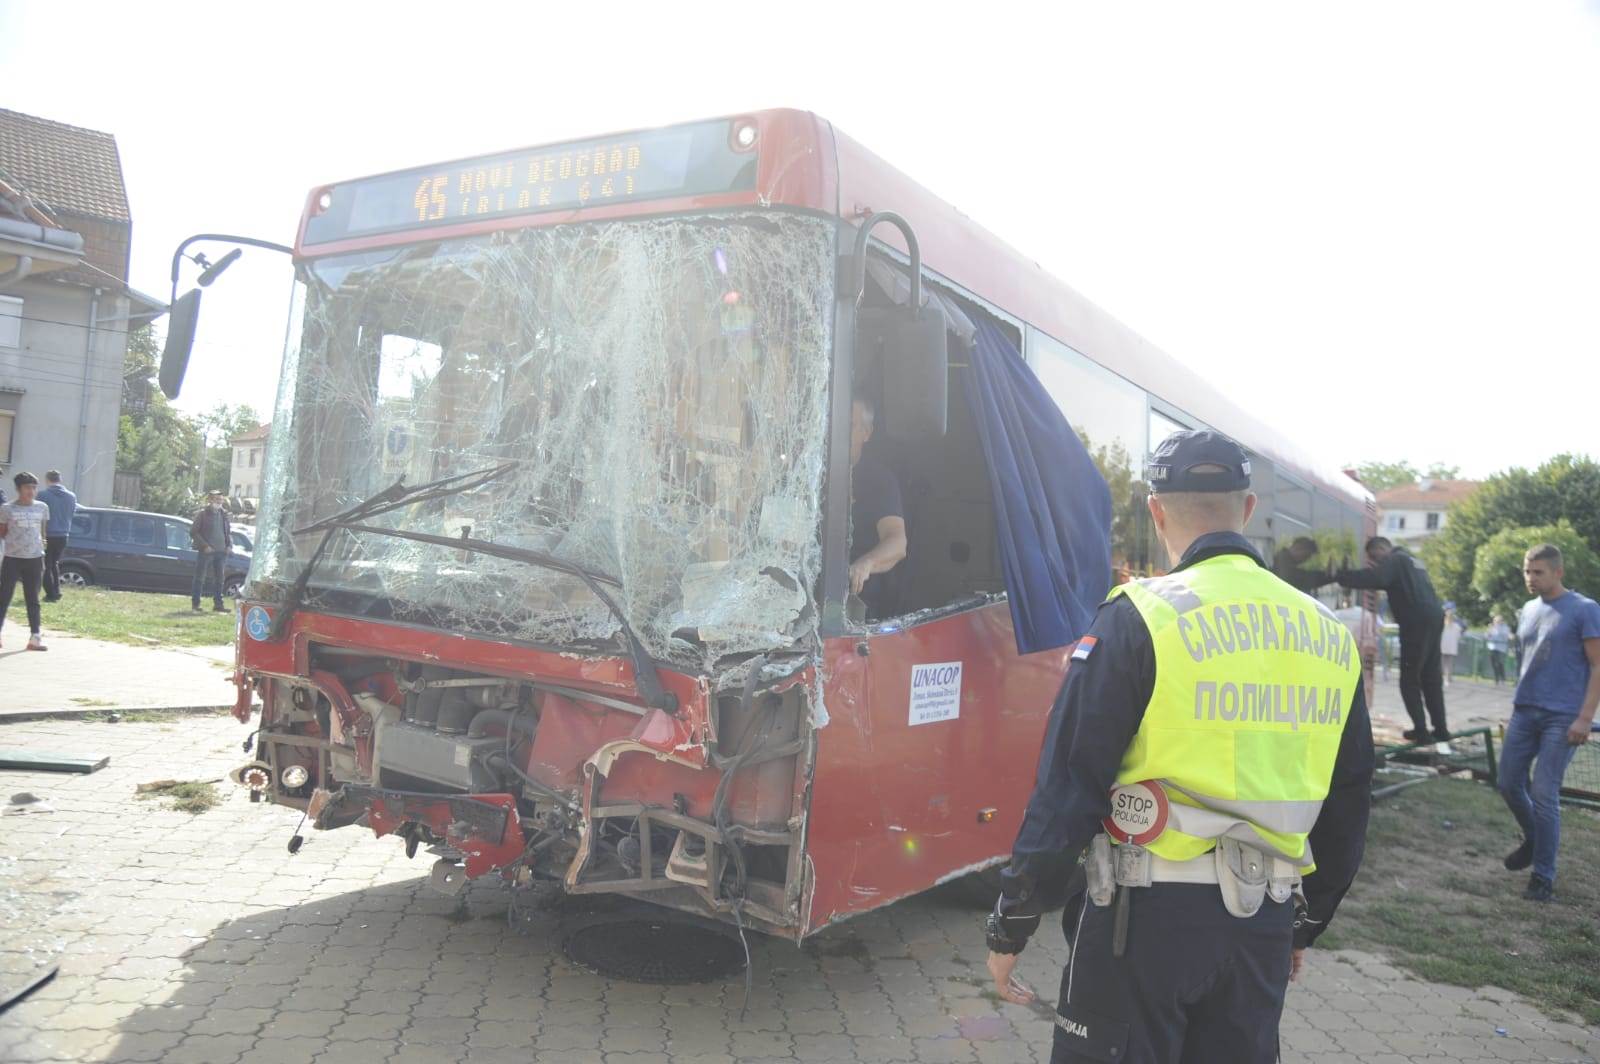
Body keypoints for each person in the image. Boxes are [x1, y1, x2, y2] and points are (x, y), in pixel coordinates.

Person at [984, 431, 1372, 1064]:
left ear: (1156, 510)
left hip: (1141, 921)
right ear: (1248, 510)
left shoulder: (1139, 615)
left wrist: (1014, 918)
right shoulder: (1328, 633)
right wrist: (1305, 922)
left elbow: (1070, 784)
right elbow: (1349, 799)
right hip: (1262, 921)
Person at [1498, 544, 1600, 902]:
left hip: (1564, 716)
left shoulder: (1585, 609)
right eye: (1527, 571)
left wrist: (1585, 718)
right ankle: (1535, 839)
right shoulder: (1528, 609)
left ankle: (1543, 877)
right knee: (1508, 782)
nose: (1531, 578)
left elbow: (1597, 665)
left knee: (1544, 792)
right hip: (1525, 710)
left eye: (1538, 572)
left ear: (1558, 572)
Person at [1333, 536, 1447, 743]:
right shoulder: (1413, 560)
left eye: (1374, 556)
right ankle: (1441, 729)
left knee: (1409, 678)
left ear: (1383, 548)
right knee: (1431, 676)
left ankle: (1421, 731)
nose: (1374, 562)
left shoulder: (1395, 560)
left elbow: (1376, 578)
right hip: (1434, 617)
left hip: (1416, 621)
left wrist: (1341, 576)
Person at [847, 397, 907, 620]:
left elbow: (898, 542)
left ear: (866, 433)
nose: (838, 432)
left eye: (849, 425)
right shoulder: (804, 475)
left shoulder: (880, 481)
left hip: (858, 600)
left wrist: (866, 564)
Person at [0, 472, 52, 650]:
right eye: (27, 487)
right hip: (13, 558)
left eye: (34, 487)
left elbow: (43, 531)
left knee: (33, 598)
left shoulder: (42, 507)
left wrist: (41, 546)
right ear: (18, 489)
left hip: (34, 558)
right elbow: (2, 532)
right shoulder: (7, 508)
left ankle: (35, 637)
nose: (31, 491)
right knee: (4, 596)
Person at [189, 491, 232, 613]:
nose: (219, 502)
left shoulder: (224, 514)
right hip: (206, 552)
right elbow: (193, 532)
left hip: (221, 552)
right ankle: (196, 604)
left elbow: (228, 532)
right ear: (210, 500)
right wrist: (205, 546)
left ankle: (218, 605)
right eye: (216, 499)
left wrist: (229, 545)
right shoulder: (203, 514)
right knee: (199, 578)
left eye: (221, 499)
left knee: (219, 580)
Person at [38, 470, 77, 603]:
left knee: (46, 564)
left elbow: (38, 514)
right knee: (54, 563)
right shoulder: (71, 496)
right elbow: (72, 514)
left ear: (47, 480)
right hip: (63, 534)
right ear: (60, 480)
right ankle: (56, 591)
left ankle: (50, 594)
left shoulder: (42, 495)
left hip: (47, 534)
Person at [1439, 604, 1462, 687]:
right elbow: (1458, 637)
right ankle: (1447, 679)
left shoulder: (1442, 625)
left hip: (1443, 646)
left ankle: (1443, 678)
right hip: (1451, 647)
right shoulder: (1457, 627)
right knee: (1449, 664)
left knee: (1442, 664)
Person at [1486, 614, 1512, 685]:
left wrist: (1498, 630)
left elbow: (1506, 635)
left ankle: (1503, 679)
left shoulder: (1505, 628)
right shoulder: (1491, 627)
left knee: (1500, 663)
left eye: (1498, 621)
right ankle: (1496, 679)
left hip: (1501, 648)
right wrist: (1489, 632)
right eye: (1495, 621)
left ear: (1501, 621)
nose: (1496, 622)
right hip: (1492, 647)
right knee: (1494, 664)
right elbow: (1487, 636)